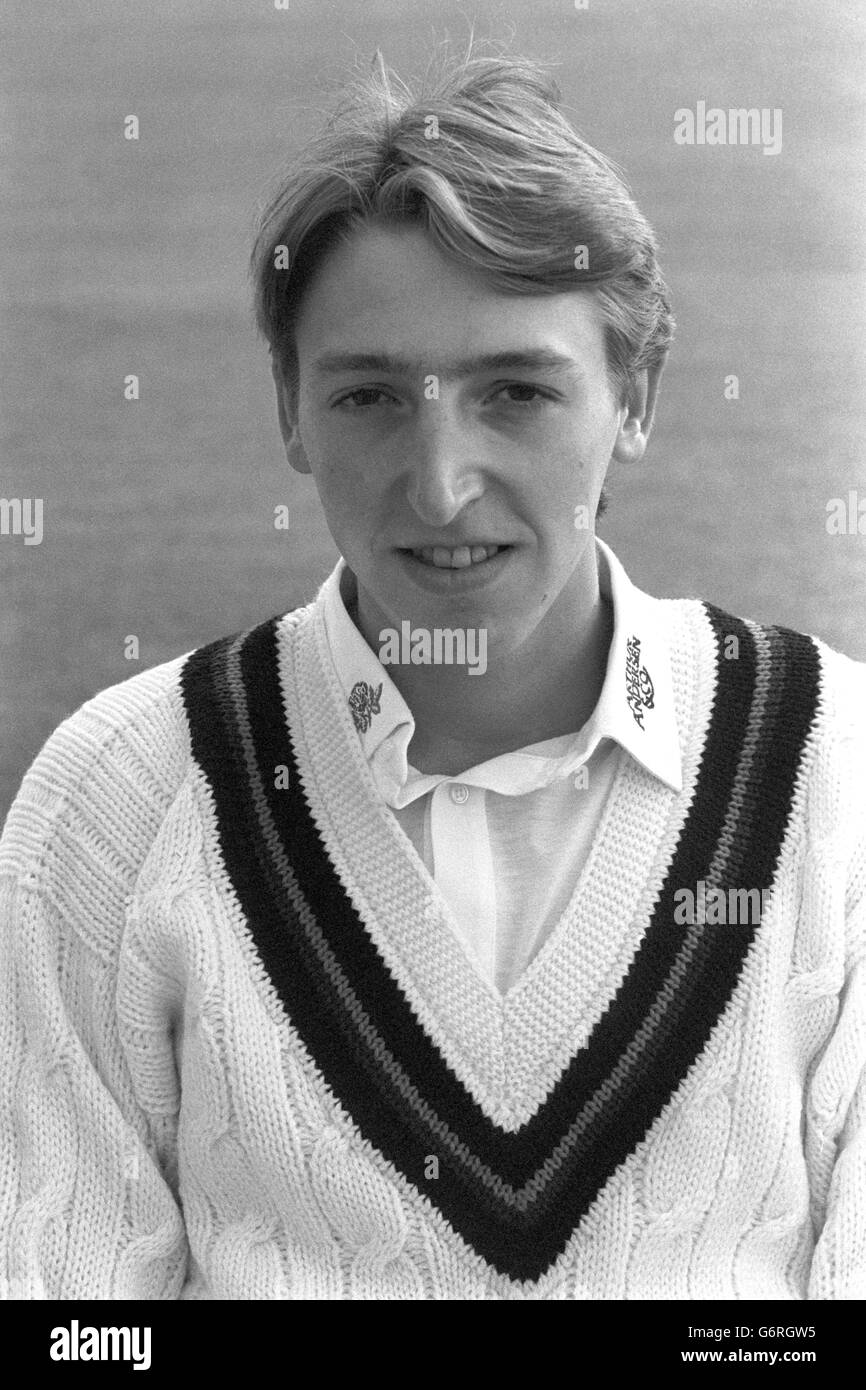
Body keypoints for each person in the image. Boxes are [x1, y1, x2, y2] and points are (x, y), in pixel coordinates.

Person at [1, 47, 864, 1301]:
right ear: (289, 409)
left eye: (514, 391)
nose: (440, 484)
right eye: (369, 399)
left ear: (635, 396)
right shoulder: (118, 802)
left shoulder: (834, 774)